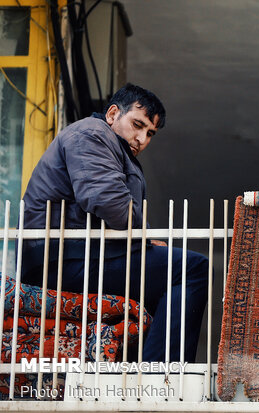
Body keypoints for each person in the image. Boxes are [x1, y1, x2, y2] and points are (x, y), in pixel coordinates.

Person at [21, 83, 208, 362]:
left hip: (82, 255)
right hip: (62, 261)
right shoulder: (91, 134)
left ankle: (143, 370)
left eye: (150, 133)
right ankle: (161, 374)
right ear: (112, 114)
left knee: (167, 278)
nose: (142, 139)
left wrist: (142, 241)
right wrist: (141, 238)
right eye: (137, 124)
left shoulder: (109, 145)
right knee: (193, 269)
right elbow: (114, 207)